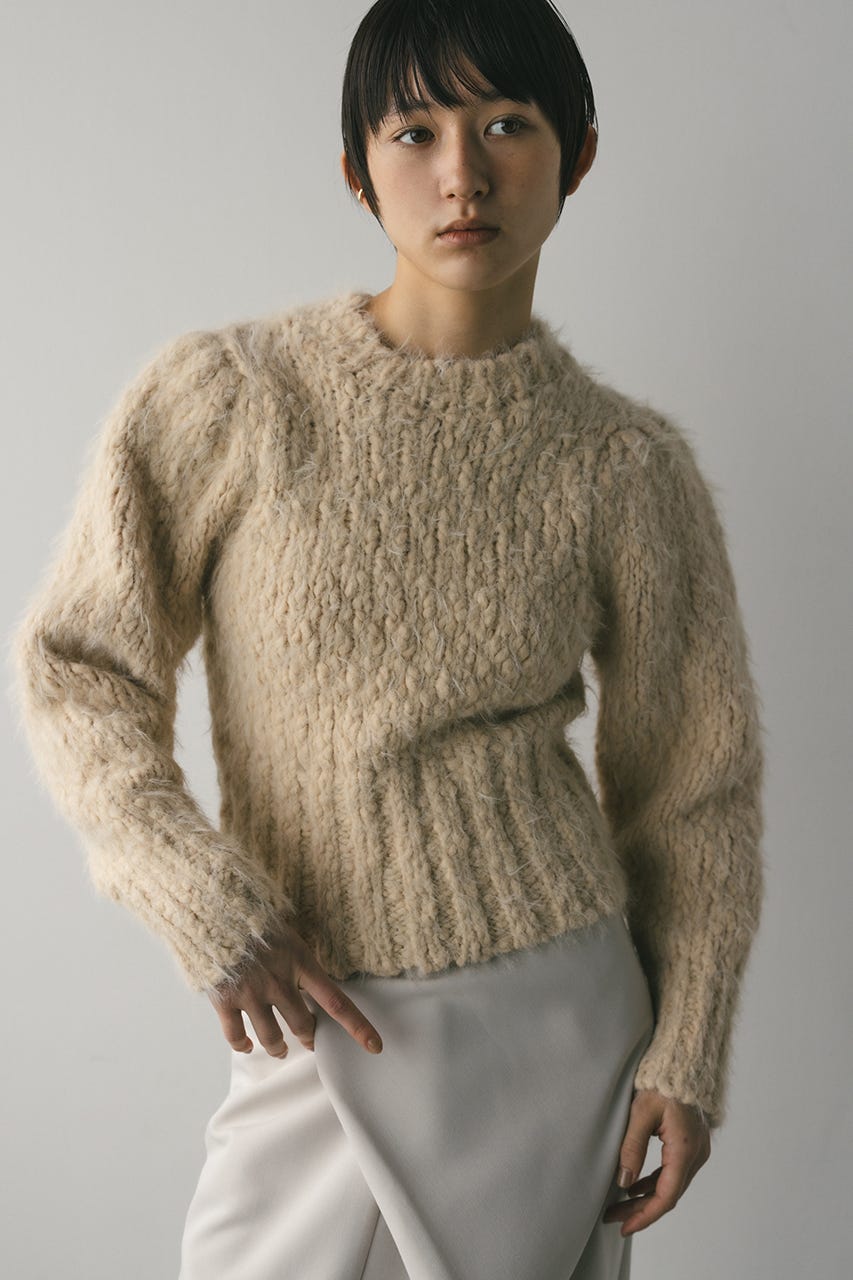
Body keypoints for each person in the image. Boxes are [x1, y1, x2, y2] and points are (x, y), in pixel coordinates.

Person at [9, 1, 766, 1277]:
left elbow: (693, 787)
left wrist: (686, 1046)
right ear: (357, 171)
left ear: (578, 155)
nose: (462, 173)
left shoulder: (625, 467)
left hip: (556, 1031)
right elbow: (78, 667)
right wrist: (200, 898)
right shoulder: (232, 398)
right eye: (415, 132)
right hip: (306, 1014)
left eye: (507, 125)